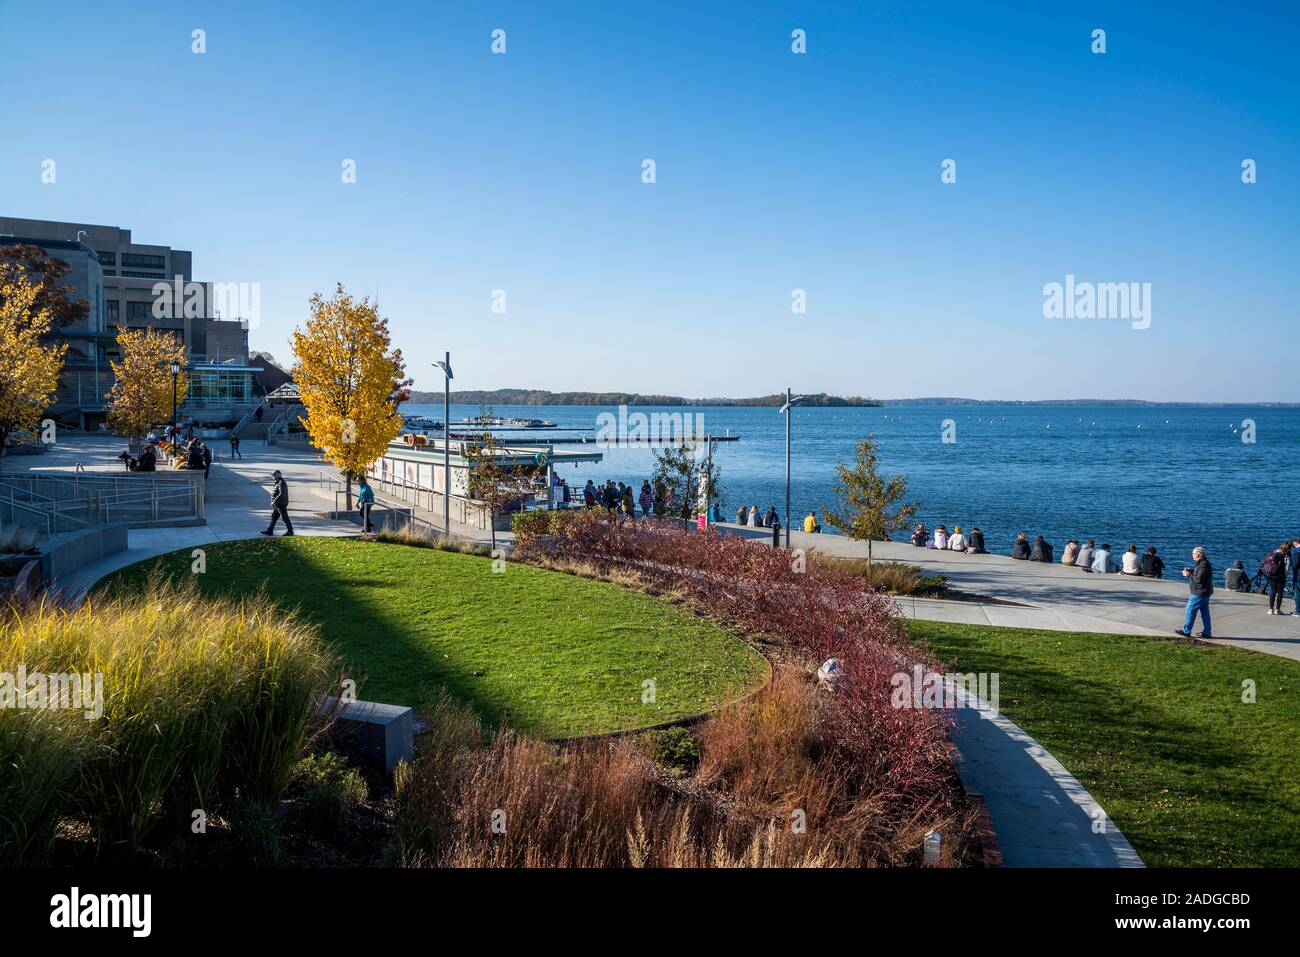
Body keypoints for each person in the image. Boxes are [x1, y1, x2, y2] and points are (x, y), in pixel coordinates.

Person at [1176, 546, 1213, 638]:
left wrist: (1188, 575)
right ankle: (1207, 632)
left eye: (1193, 553)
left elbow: (1199, 579)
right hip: (1204, 592)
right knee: (1204, 612)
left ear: (1199, 554)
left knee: (1190, 610)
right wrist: (1191, 571)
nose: (1192, 555)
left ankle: (1186, 631)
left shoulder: (1203, 565)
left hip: (1199, 593)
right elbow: (1199, 574)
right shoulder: (1202, 563)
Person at [262, 469, 294, 536]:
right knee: (274, 517)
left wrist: (274, 501)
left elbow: (281, 493)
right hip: (278, 504)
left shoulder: (281, 482)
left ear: (279, 475)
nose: (273, 476)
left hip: (281, 504)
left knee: (285, 517)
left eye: (274, 475)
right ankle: (270, 530)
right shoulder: (278, 482)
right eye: (272, 475)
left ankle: (290, 531)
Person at [1262, 543, 1289, 615]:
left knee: (1273, 591)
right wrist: (1285, 576)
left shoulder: (1274, 553)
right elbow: (1287, 569)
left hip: (1271, 575)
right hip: (1280, 576)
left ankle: (1270, 609)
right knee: (1280, 593)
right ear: (1287, 549)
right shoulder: (1286, 556)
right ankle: (1278, 610)